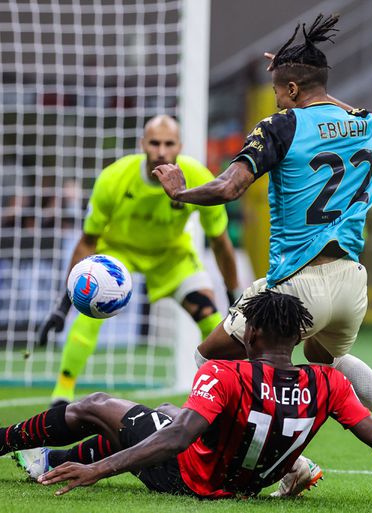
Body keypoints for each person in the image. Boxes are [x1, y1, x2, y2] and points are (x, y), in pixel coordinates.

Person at [152, 14, 372, 490]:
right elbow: (329, 102)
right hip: (351, 284)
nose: (275, 98)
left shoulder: (280, 126)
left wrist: (180, 192)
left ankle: (292, 465)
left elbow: (229, 187)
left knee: (210, 360)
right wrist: (297, 68)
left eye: (278, 89)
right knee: (327, 363)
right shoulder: (365, 122)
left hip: (297, 283)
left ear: (290, 89)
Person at [0, 291, 372, 509]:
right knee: (159, 416)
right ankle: (51, 460)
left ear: (252, 333)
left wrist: (100, 471)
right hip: (249, 482)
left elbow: (179, 439)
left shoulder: (225, 373)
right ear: (296, 338)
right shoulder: (328, 383)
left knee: (95, 405)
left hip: (189, 478)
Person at [38, 115, 240, 404]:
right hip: (120, 254)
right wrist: (63, 305)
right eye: (154, 143)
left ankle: (230, 395)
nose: (161, 151)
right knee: (91, 309)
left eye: (168, 144)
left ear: (180, 147)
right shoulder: (114, 178)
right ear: (142, 144)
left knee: (212, 320)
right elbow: (87, 242)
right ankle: (62, 393)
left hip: (172, 256)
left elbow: (221, 242)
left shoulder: (199, 178)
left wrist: (234, 297)